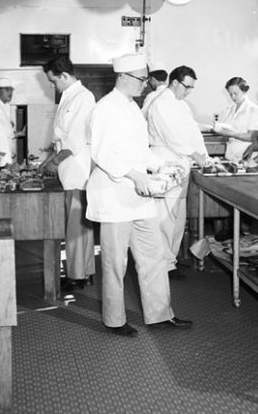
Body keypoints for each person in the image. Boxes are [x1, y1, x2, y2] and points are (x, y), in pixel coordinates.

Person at [87, 52, 192, 337]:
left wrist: (161, 164)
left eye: (146, 79)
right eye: (141, 79)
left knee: (154, 256)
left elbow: (140, 151)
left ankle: (159, 315)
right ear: (122, 76)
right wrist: (135, 176)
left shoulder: (132, 107)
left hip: (140, 196)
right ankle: (114, 319)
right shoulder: (105, 108)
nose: (145, 84)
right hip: (115, 198)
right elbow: (102, 153)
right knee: (114, 263)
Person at [146, 65, 208, 280]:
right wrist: (196, 155)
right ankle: (162, 264)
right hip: (166, 162)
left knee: (177, 216)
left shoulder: (181, 104)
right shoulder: (161, 103)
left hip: (182, 163)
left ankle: (170, 259)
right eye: (187, 87)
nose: (188, 91)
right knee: (164, 216)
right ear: (174, 82)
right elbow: (173, 137)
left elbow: (193, 132)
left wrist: (204, 156)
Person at [39, 58, 96, 289]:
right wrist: (49, 161)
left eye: (54, 81)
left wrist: (55, 162)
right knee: (78, 224)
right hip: (68, 167)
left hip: (77, 169)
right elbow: (60, 137)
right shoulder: (68, 96)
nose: (53, 86)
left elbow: (75, 139)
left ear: (64, 76)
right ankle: (83, 271)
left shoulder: (83, 97)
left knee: (77, 225)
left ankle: (77, 275)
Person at [215, 76, 258, 162]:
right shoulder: (227, 110)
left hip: (245, 154)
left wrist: (232, 134)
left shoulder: (253, 109)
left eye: (236, 93)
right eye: (230, 94)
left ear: (244, 91)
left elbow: (251, 136)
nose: (233, 97)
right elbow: (222, 132)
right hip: (230, 154)